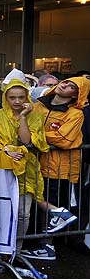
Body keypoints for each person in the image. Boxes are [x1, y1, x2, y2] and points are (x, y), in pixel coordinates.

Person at [0, 75, 48, 255]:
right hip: (2, 171)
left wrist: (23, 118)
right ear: (5, 98)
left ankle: (16, 250)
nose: (17, 101)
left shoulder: (34, 116)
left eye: (21, 97)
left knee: (23, 214)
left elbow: (27, 141)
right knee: (1, 211)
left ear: (27, 97)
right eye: (12, 98)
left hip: (26, 171)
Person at [30, 77, 90, 257]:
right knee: (35, 205)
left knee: (55, 209)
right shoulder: (38, 106)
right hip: (35, 165)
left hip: (59, 169)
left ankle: (48, 247)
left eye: (72, 87)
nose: (64, 85)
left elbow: (63, 139)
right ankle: (36, 243)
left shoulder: (75, 114)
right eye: (66, 82)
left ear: (76, 96)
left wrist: (34, 136)